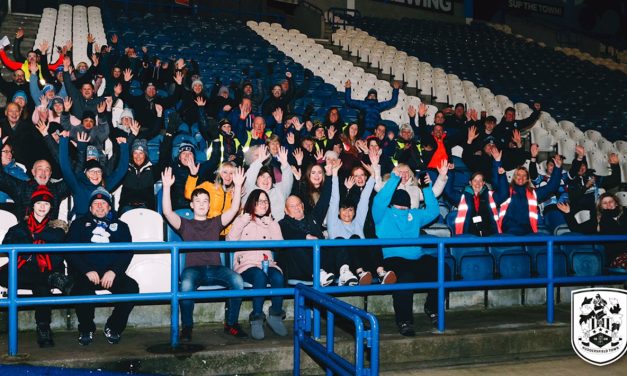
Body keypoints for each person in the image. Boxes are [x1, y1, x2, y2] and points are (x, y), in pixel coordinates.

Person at [161, 166, 248, 341]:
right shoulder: (185, 224)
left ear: (209, 205)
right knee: (185, 285)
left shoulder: (215, 223)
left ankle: (231, 323)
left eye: (205, 201)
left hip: (216, 268)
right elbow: (167, 212)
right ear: (192, 205)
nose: (201, 204)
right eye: (198, 201)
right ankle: (187, 326)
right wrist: (167, 187)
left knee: (238, 280)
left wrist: (238, 186)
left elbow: (233, 210)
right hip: (193, 269)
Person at [372, 168, 446, 336]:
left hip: (417, 257)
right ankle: (404, 320)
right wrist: (394, 179)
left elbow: (434, 212)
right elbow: (379, 200)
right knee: (405, 277)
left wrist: (426, 188)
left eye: (405, 206)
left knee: (442, 269)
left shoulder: (413, 213)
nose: (402, 208)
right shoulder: (383, 214)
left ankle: (432, 308)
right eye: (400, 205)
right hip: (393, 258)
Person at [65, 187, 138, 345]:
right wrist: (86, 270)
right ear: (90, 208)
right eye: (96, 203)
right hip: (87, 273)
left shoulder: (121, 226)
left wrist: (114, 271)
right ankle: (86, 328)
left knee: (131, 288)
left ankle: (114, 326)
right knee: (81, 290)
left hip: (110, 273)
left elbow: (127, 252)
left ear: (109, 207)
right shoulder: (78, 224)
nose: (99, 206)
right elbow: (70, 252)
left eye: (103, 203)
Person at [1, 186, 71, 347]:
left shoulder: (55, 227)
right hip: (24, 270)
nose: (42, 207)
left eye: (46, 204)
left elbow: (60, 239)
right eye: (38, 203)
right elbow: (7, 243)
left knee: (41, 287)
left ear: (50, 208)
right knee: (6, 275)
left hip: (44, 269)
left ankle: (43, 327)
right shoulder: (19, 227)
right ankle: (51, 279)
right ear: (32, 206)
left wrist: (33, 236)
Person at [227, 189, 288, 340]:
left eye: (266, 201)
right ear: (252, 203)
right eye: (260, 201)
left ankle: (275, 315)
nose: (263, 204)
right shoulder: (242, 219)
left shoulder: (270, 222)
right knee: (259, 276)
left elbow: (279, 245)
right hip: (246, 265)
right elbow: (230, 241)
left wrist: (272, 224)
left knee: (278, 277)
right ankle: (257, 317)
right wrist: (241, 221)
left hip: (267, 263)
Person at [493, 152, 564, 235]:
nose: (521, 178)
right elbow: (496, 182)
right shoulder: (506, 190)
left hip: (528, 232)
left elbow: (551, 187)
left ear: (527, 179)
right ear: (514, 177)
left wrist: (558, 168)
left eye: (524, 176)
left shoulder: (533, 193)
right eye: (518, 175)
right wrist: (497, 162)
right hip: (509, 231)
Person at [557, 193, 627, 268]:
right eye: (605, 203)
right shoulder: (598, 220)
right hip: (616, 255)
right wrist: (568, 213)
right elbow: (577, 229)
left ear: (616, 203)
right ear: (600, 206)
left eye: (611, 201)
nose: (608, 204)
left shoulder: (625, 214)